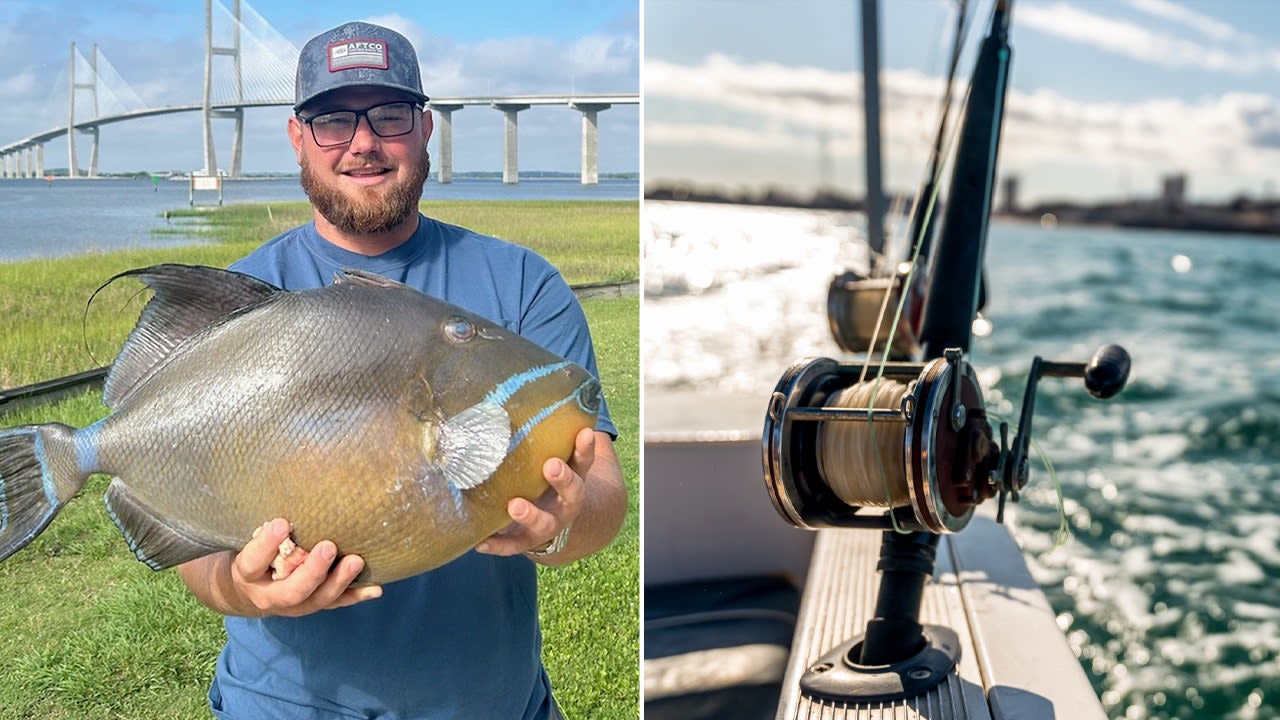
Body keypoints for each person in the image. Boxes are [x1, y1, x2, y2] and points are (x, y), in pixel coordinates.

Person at [175, 21, 627, 720]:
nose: (363, 142)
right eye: (332, 120)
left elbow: (601, 489)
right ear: (298, 137)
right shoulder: (239, 299)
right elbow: (193, 545)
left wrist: (561, 525)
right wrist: (242, 589)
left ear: (425, 128)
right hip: (281, 705)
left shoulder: (523, 286)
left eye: (388, 115)